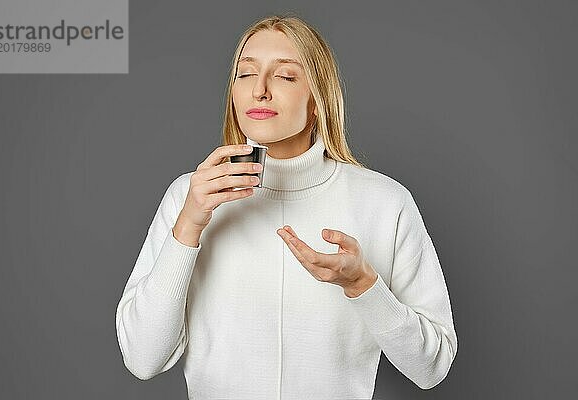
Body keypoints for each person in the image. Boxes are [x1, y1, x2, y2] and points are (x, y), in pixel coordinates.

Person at [115, 14, 458, 399]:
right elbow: (142, 359)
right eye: (245, 74)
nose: (259, 90)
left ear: (318, 100)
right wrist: (189, 227)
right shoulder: (187, 197)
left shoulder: (385, 203)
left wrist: (363, 284)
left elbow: (432, 367)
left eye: (286, 76)